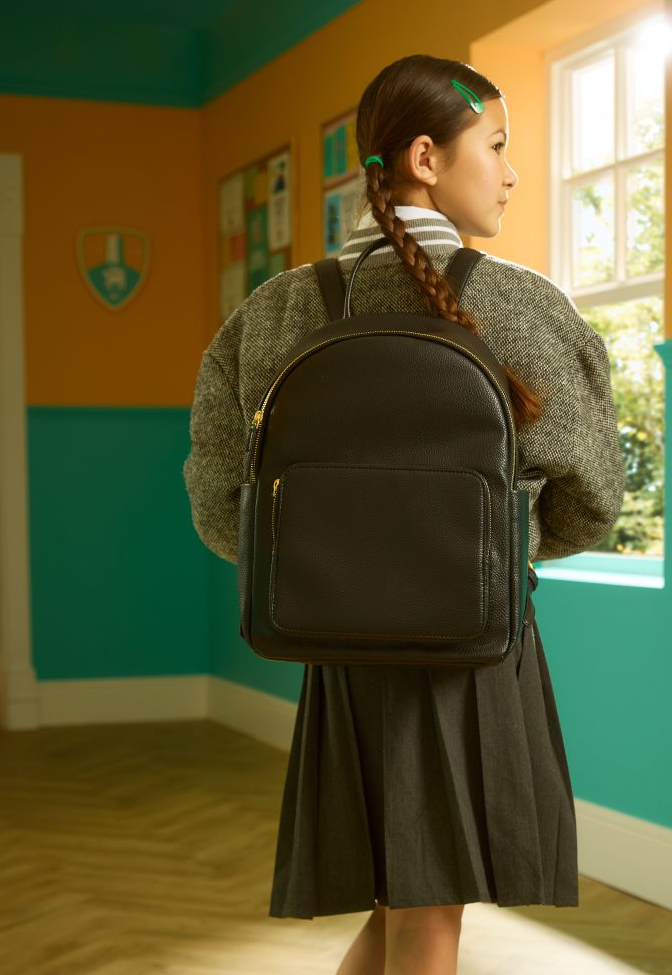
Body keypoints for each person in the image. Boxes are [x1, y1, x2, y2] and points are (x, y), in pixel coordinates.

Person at [183, 53, 626, 975]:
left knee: (398, 908)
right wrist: (494, 552)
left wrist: (336, 568)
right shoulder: (522, 306)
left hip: (342, 656)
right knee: (428, 918)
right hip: (470, 649)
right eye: (497, 145)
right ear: (426, 156)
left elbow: (223, 503)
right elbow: (594, 493)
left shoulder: (271, 313)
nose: (509, 171)